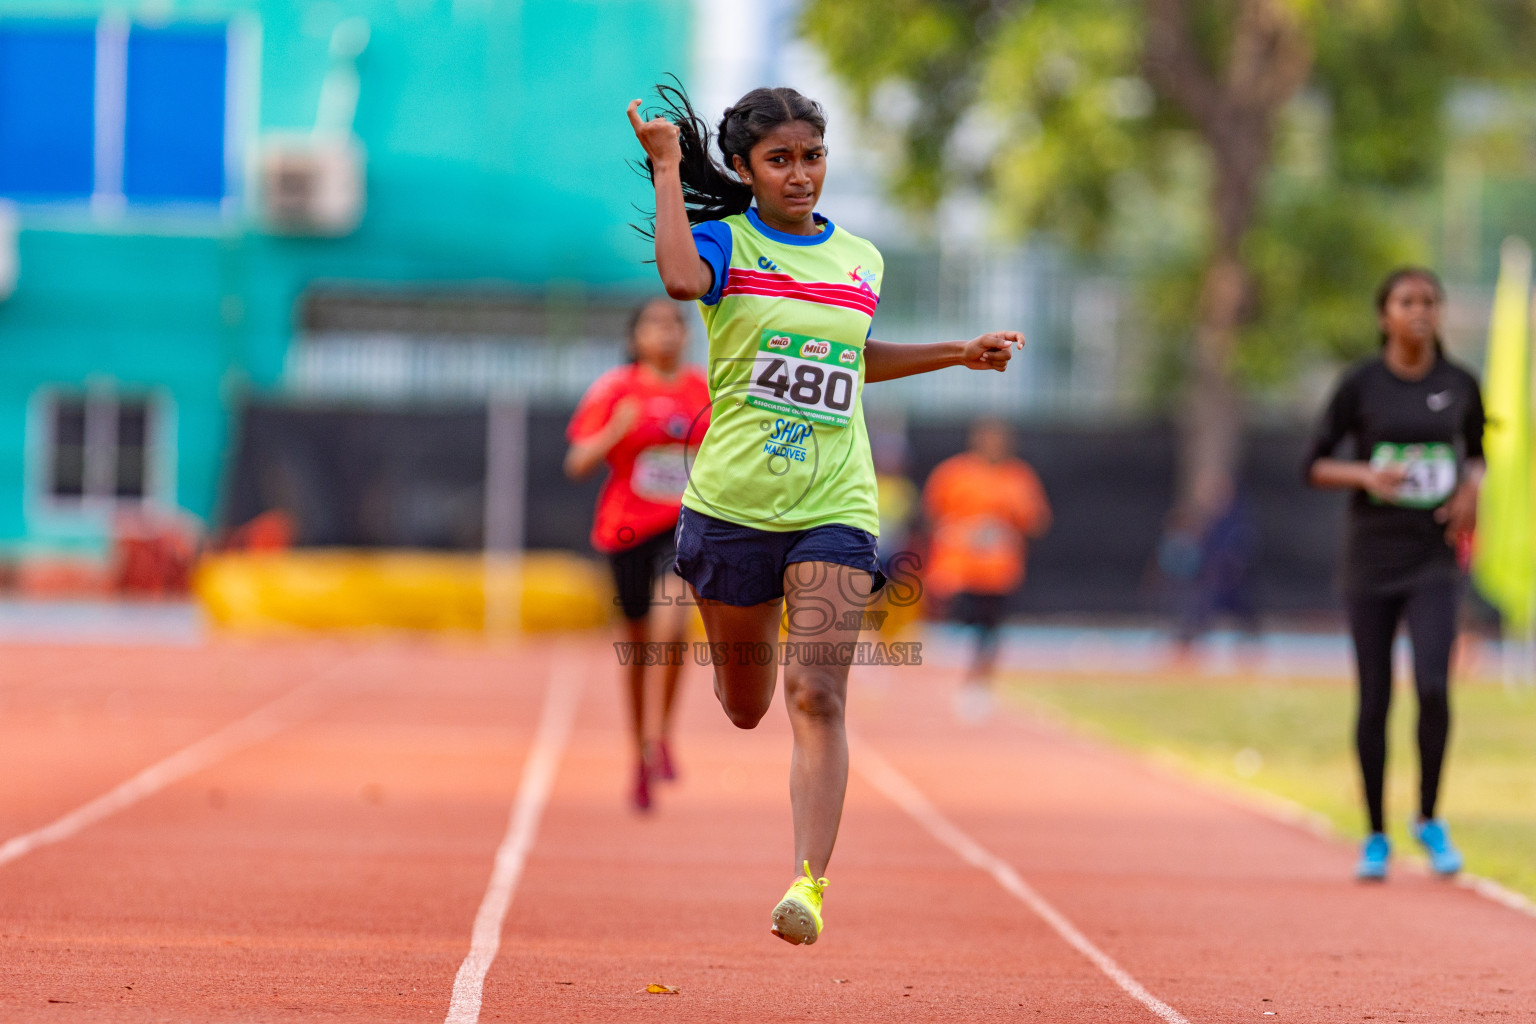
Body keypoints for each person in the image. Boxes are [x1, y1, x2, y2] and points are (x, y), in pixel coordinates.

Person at [627, 83, 1024, 945]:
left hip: (834, 501)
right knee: (746, 706)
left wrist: (959, 352)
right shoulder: (720, 245)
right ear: (745, 169)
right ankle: (751, 630)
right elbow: (678, 278)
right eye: (780, 160)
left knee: (817, 694)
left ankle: (808, 884)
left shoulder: (860, 260)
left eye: (812, 157)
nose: (800, 174)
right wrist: (666, 169)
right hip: (731, 506)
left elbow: (850, 356)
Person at [1305, 267, 1484, 882]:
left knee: (1434, 685)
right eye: (1407, 302)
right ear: (1384, 314)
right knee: (1375, 695)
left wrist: (1473, 490)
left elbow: (1477, 451)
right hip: (1371, 559)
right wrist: (1365, 476)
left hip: (1433, 556)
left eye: (1430, 301)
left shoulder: (1459, 384)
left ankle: (1429, 817)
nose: (1420, 312)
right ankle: (1377, 833)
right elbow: (1316, 463)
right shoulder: (1361, 384)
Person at [565, 297, 711, 812]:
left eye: (675, 324)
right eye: (655, 324)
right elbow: (577, 462)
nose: (667, 332)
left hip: (683, 527)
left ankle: (662, 734)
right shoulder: (615, 389)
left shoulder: (704, 390)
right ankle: (640, 752)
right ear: (635, 338)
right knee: (637, 645)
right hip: (627, 529)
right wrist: (616, 430)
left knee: (673, 625)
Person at [921, 419, 1052, 721]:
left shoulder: (1019, 478)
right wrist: (956, 531)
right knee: (956, 624)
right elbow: (931, 513)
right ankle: (953, 677)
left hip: (999, 572)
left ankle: (978, 682)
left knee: (989, 629)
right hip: (957, 571)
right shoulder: (953, 474)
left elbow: (1036, 521)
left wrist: (1004, 527)